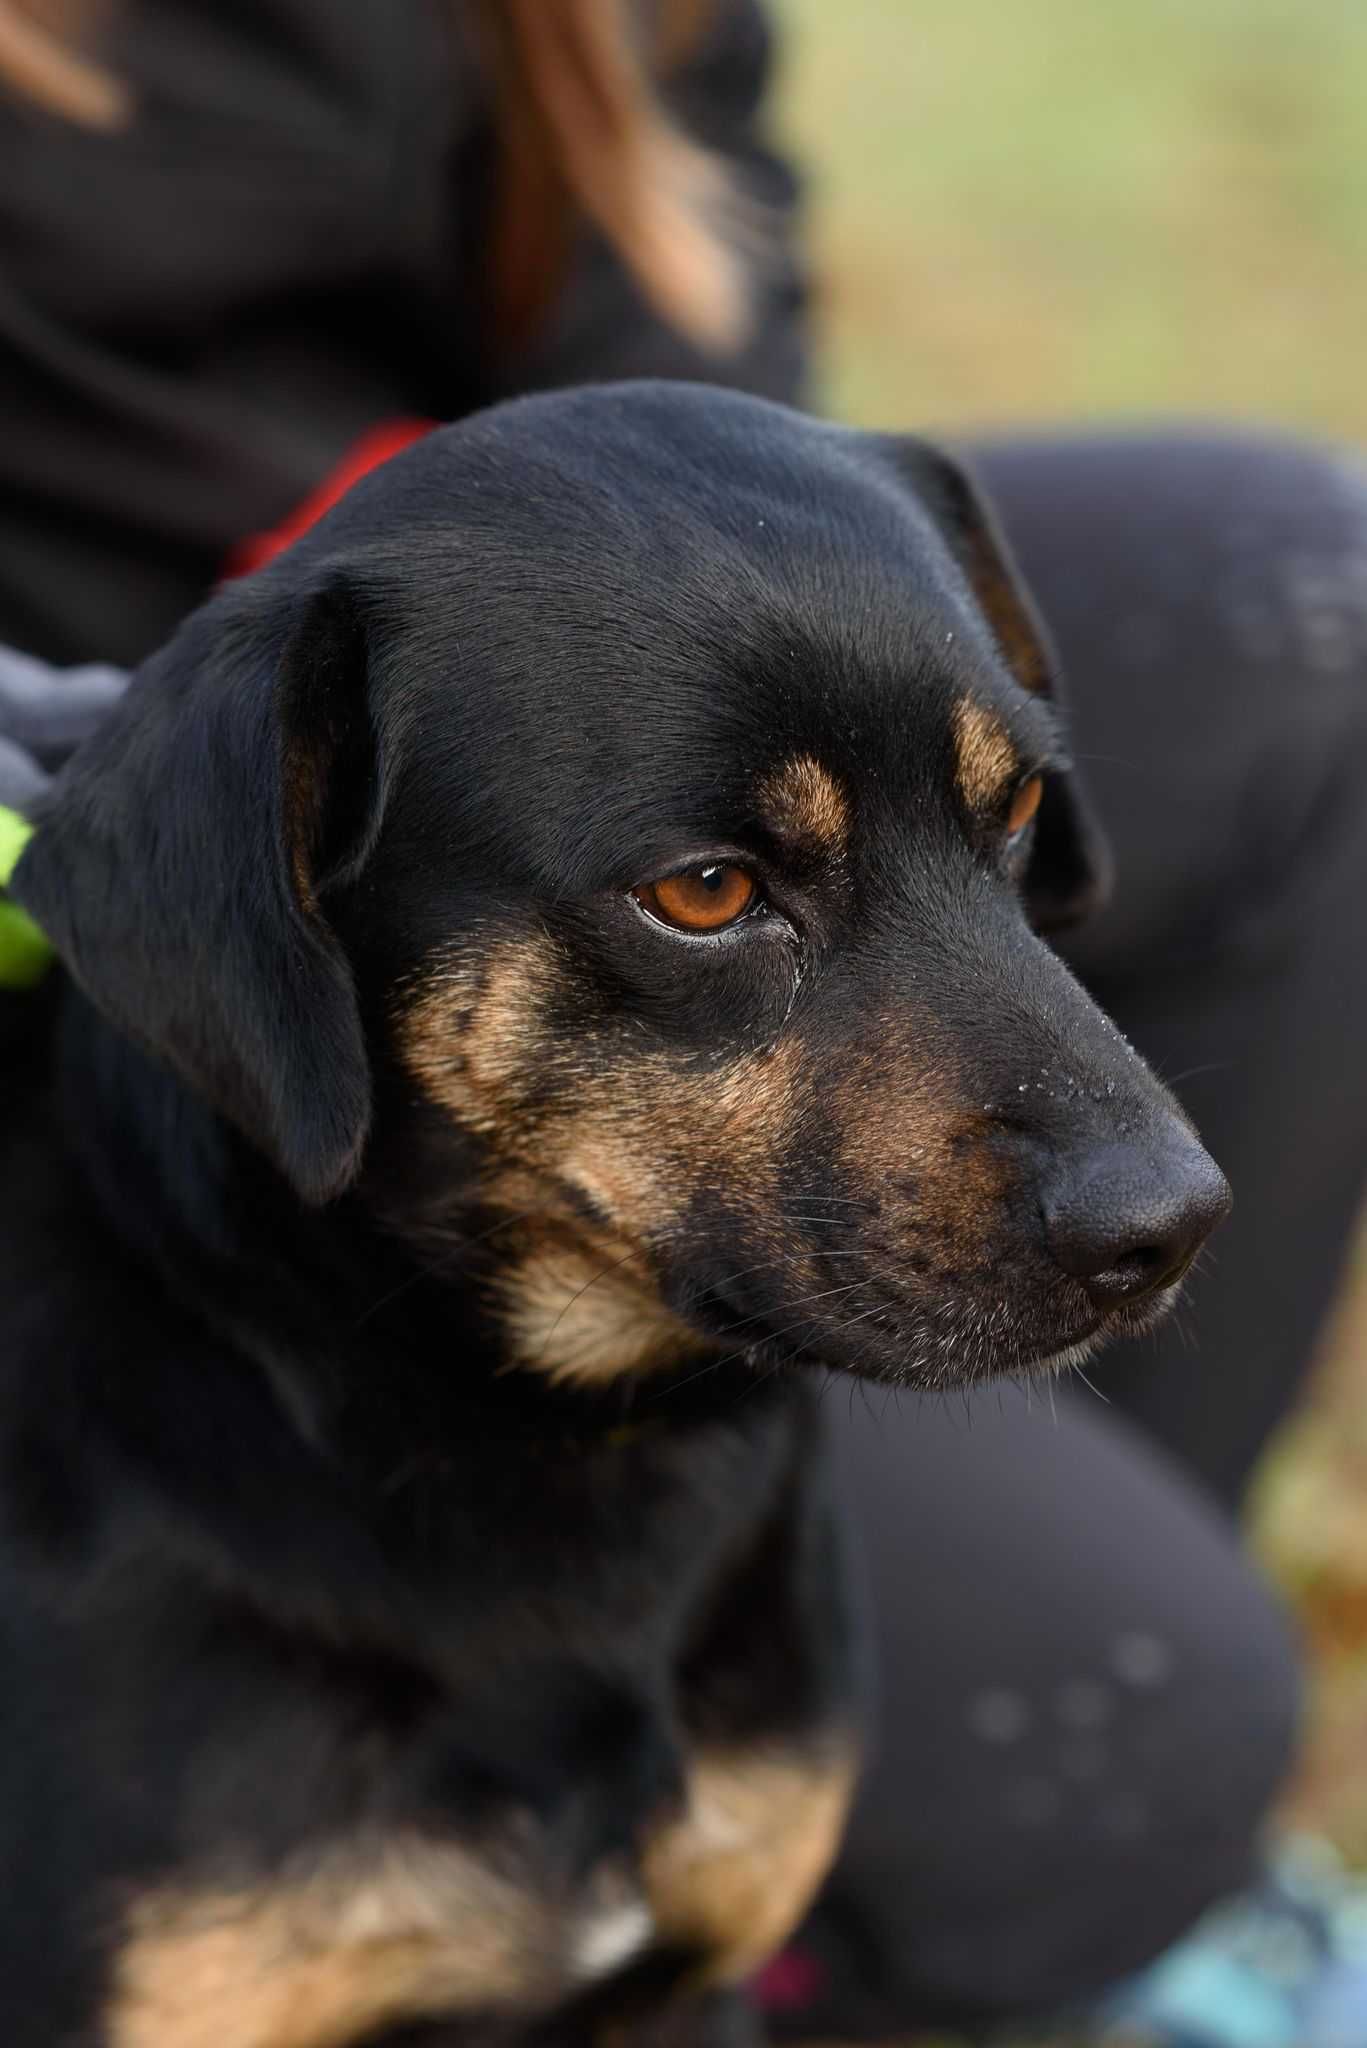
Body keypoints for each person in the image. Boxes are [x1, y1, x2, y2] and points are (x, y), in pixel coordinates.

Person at [1, 4, 1365, 2041]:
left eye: (999, 837)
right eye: (722, 900)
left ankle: (1028, 1842)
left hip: (515, 667)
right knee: (1125, 1726)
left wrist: (672, 641)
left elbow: (716, 437)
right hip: (172, 785)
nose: (1145, 1170)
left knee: (1304, 589)